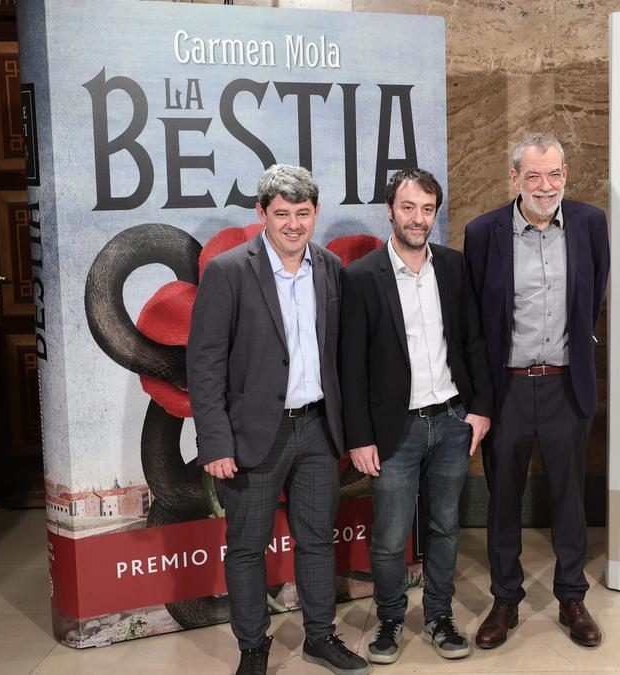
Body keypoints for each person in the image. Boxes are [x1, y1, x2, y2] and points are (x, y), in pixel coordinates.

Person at [188, 165, 369, 675]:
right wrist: (215, 441)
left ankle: (320, 637)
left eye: (303, 213)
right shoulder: (227, 271)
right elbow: (203, 362)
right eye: (282, 213)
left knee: (316, 539)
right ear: (261, 213)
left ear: (316, 213)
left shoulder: (331, 267)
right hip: (252, 435)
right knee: (246, 547)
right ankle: (252, 647)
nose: (293, 224)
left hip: (316, 428)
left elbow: (341, 357)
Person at [340, 168, 493, 664]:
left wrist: (481, 409)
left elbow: (473, 341)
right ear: (389, 210)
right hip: (394, 431)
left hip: (451, 421)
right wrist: (359, 437)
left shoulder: (452, 267)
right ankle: (387, 619)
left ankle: (438, 617)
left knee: (446, 526)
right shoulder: (362, 277)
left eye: (428, 209)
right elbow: (352, 367)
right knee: (389, 534)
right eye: (409, 208)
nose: (418, 218)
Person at [464, 132, 610, 649]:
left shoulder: (591, 224)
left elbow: (594, 297)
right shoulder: (483, 233)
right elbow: (477, 320)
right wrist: (481, 398)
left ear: (565, 176)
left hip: (565, 386)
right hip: (506, 388)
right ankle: (506, 599)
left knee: (569, 497)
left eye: (553, 175)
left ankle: (572, 595)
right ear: (514, 179)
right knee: (503, 497)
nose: (544, 186)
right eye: (533, 176)